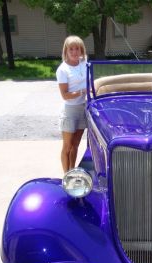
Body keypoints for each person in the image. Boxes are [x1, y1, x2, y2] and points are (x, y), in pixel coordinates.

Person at [56, 35, 87, 173]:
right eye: (71, 49)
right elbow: (65, 95)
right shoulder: (63, 69)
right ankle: (66, 176)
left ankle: (72, 172)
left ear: (82, 50)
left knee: (76, 144)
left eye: (77, 49)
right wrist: (83, 91)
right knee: (67, 146)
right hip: (70, 110)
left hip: (83, 108)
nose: (75, 52)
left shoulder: (85, 64)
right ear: (66, 51)